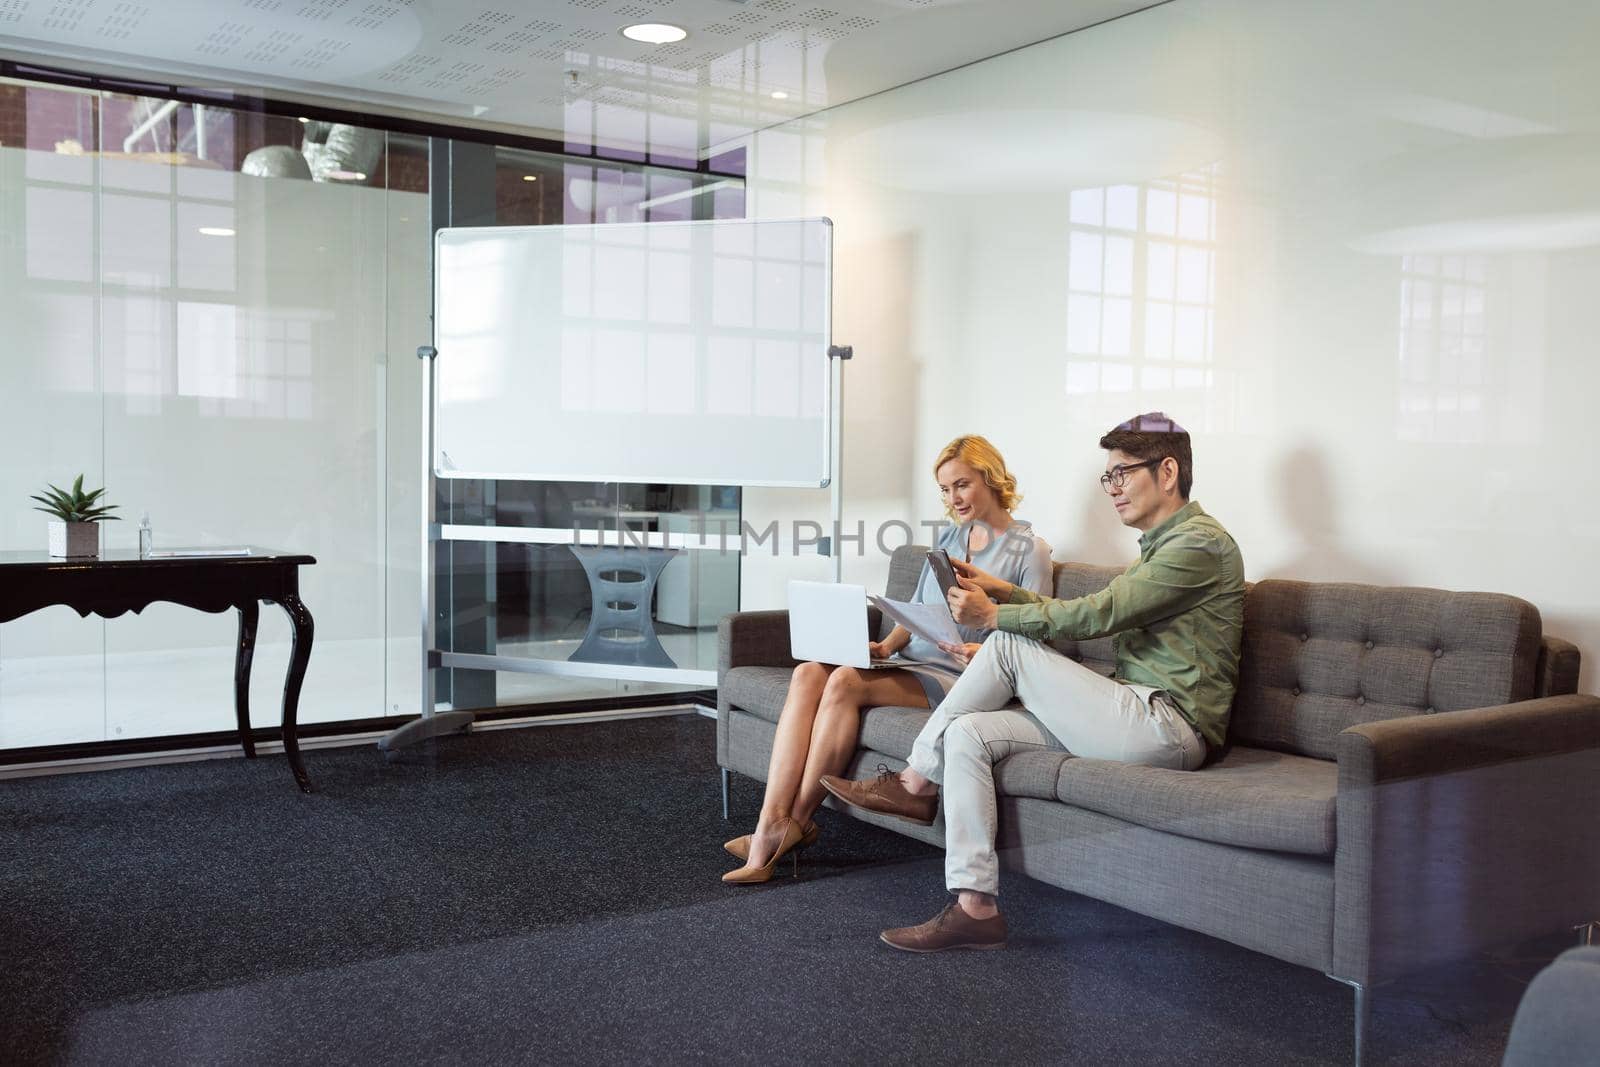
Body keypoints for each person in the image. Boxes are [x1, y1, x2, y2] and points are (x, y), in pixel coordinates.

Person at [820, 412, 1244, 950]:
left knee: (1008, 643)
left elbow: (1099, 614)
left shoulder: (1199, 545)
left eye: (1121, 474)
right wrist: (1006, 591)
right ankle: (974, 906)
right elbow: (1089, 609)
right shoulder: (1159, 547)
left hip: (1166, 728)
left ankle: (914, 782)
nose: (1112, 489)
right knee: (967, 733)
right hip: (1128, 714)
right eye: (1106, 477)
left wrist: (996, 616)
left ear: (1166, 472)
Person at [722, 435, 1054, 884]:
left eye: (962, 485)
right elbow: (920, 606)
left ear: (991, 480)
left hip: (963, 672)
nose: (952, 498)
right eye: (945, 489)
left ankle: (784, 830)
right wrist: (886, 647)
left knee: (843, 682)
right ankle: (771, 821)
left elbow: (1039, 627)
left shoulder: (1029, 549)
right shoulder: (951, 536)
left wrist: (984, 649)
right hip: (912, 661)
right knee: (806, 673)